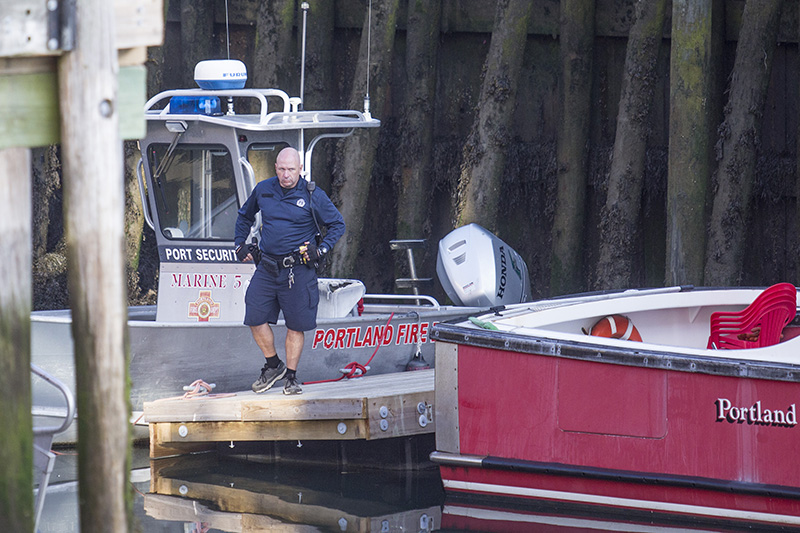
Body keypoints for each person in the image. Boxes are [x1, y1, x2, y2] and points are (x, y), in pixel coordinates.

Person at [234, 147, 345, 395]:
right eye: (282, 169)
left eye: (291, 170)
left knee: (296, 325)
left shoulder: (312, 194)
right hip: (267, 267)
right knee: (254, 314)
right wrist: (240, 244)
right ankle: (273, 365)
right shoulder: (264, 189)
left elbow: (338, 224)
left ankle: (292, 378)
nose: (286, 175)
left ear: (300, 170)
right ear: (275, 168)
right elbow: (244, 217)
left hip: (298, 269)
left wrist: (322, 249)